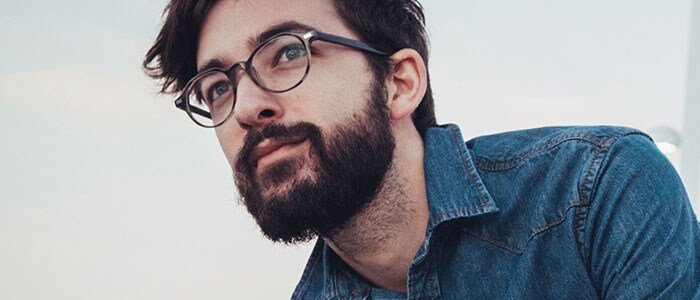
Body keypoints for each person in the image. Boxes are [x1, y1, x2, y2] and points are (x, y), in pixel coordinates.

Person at [143, 0, 700, 298]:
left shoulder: (598, 194)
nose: (244, 107)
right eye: (217, 87)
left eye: (287, 53)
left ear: (400, 83)